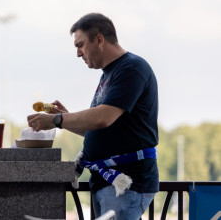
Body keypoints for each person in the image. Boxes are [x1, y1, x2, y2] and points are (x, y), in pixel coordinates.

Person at [27, 13, 158, 220]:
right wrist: (65, 118)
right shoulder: (110, 73)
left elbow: (103, 117)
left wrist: (56, 120)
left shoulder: (131, 68)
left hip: (125, 183)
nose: (78, 53)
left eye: (80, 45)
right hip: (109, 182)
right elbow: (98, 129)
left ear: (99, 39)